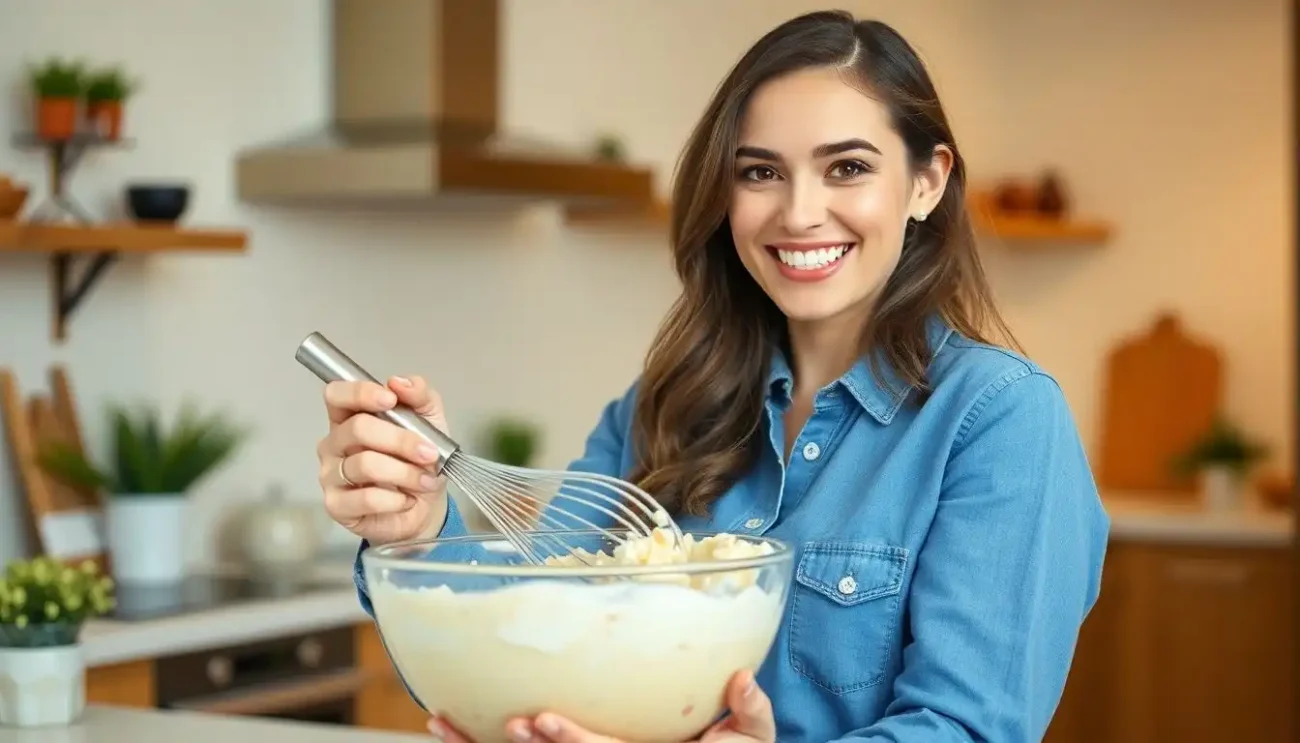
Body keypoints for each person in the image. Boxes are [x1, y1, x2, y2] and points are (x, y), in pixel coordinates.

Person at [314, 9, 1110, 743]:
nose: (798, 213)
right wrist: (418, 532)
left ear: (927, 181)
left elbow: (968, 730)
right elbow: (527, 631)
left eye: (847, 168)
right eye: (760, 172)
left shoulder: (999, 420)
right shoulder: (662, 408)